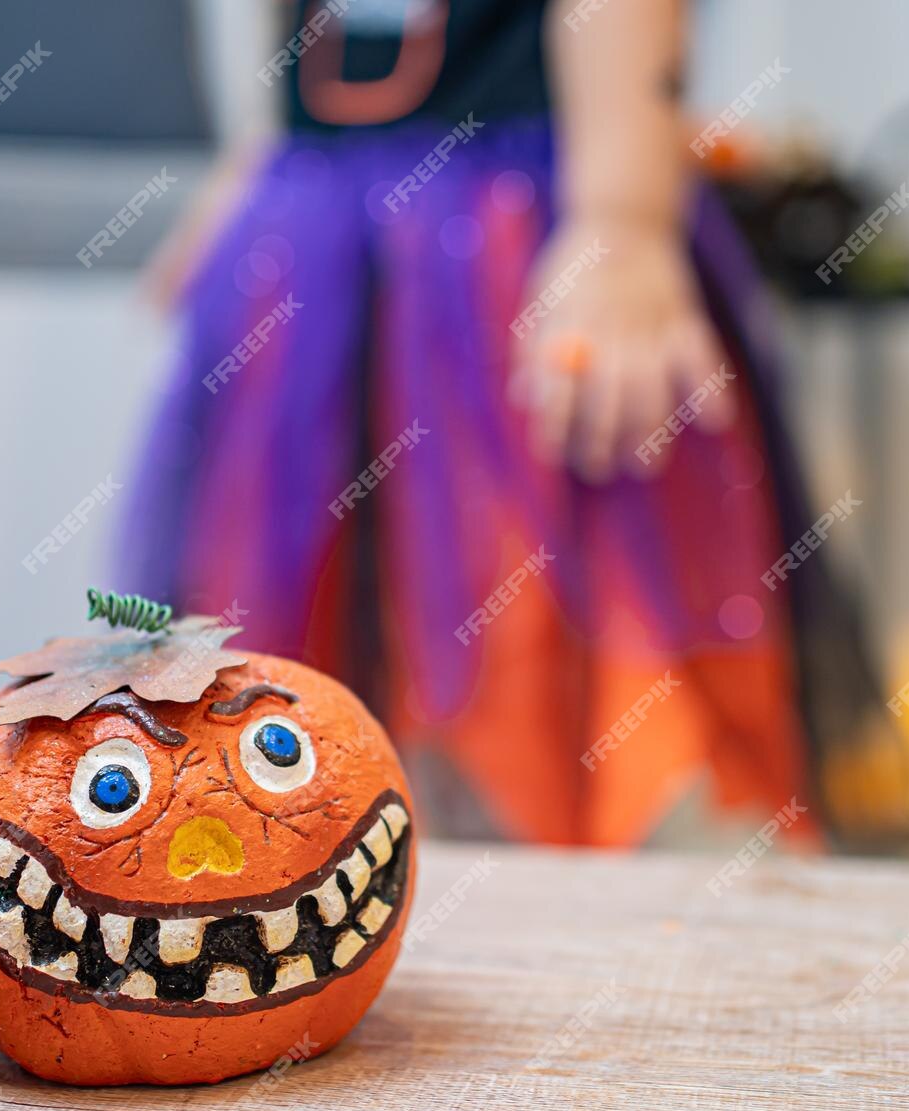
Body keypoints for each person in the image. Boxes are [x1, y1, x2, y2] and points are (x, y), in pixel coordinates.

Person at [121, 0, 849, 846]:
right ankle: (343, 855)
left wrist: (623, 217)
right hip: (318, 233)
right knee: (312, 618)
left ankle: (561, 861)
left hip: (504, 240)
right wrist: (255, 161)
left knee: (526, 594)